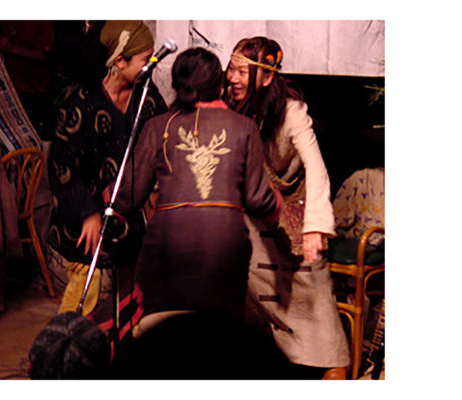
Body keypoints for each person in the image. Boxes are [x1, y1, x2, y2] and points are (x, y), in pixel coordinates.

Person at [110, 47, 284, 377]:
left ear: (177, 85)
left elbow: (127, 196)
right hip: (224, 249)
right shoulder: (244, 127)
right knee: (220, 339)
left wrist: (108, 200)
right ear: (218, 85)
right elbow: (258, 199)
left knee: (164, 341)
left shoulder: (158, 126)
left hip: (167, 247)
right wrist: (278, 203)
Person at [223, 36, 349, 379]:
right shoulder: (232, 108)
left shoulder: (292, 112)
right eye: (231, 70)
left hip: (295, 219)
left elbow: (316, 166)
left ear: (266, 77)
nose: (233, 78)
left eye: (242, 72)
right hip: (254, 220)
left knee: (318, 319)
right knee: (248, 303)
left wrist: (315, 225)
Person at [46, 21, 167, 328]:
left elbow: (163, 146)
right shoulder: (80, 104)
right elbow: (61, 167)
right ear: (119, 61)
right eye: (145, 59)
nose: (151, 65)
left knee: (132, 303)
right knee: (82, 300)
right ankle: (64, 348)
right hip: (85, 219)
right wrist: (87, 214)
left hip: (128, 217)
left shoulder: (147, 98)